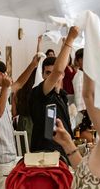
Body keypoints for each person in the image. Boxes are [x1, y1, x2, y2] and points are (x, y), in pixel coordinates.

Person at [0, 57, 38, 189]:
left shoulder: (2, 93)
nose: (4, 76)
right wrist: (5, 89)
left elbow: (19, 84)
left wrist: (33, 64)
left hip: (9, 154)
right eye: (1, 73)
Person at [30, 27, 78, 155]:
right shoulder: (39, 92)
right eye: (47, 73)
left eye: (55, 74)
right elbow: (57, 71)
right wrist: (70, 40)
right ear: (43, 74)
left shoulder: (62, 95)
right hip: (44, 153)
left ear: (63, 75)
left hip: (62, 152)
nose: (52, 77)